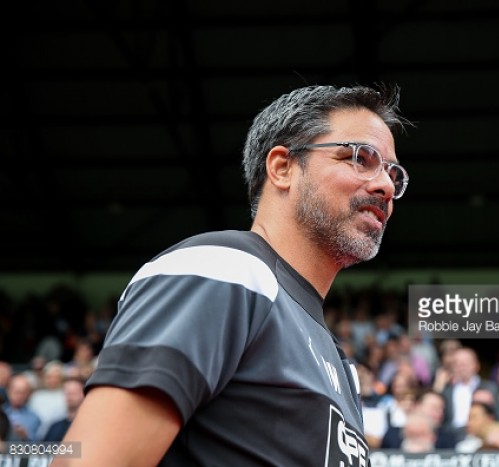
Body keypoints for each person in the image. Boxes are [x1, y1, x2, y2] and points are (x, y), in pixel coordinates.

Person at [54, 84, 410, 466]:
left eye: (394, 173)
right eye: (360, 158)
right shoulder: (224, 270)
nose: (385, 186)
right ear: (282, 167)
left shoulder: (339, 362)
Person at [43, 377, 85, 442]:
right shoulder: (55, 426)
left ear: (84, 395)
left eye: (74, 393)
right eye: (67, 392)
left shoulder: (90, 426)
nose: (70, 396)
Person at [2, 374, 41, 442]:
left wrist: (25, 435)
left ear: (28, 394)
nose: (19, 396)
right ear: (8, 391)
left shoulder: (34, 418)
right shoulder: (2, 412)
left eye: (23, 393)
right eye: (16, 392)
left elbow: (36, 443)